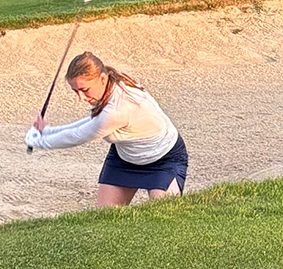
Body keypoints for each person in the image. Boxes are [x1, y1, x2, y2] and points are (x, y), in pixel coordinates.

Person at [26, 51, 188, 206]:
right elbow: (90, 122)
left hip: (164, 160)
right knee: (106, 220)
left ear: (102, 79)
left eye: (84, 90)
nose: (81, 98)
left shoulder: (118, 109)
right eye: (76, 91)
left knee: (162, 216)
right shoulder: (110, 86)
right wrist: (47, 131)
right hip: (125, 159)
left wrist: (38, 141)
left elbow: (78, 135)